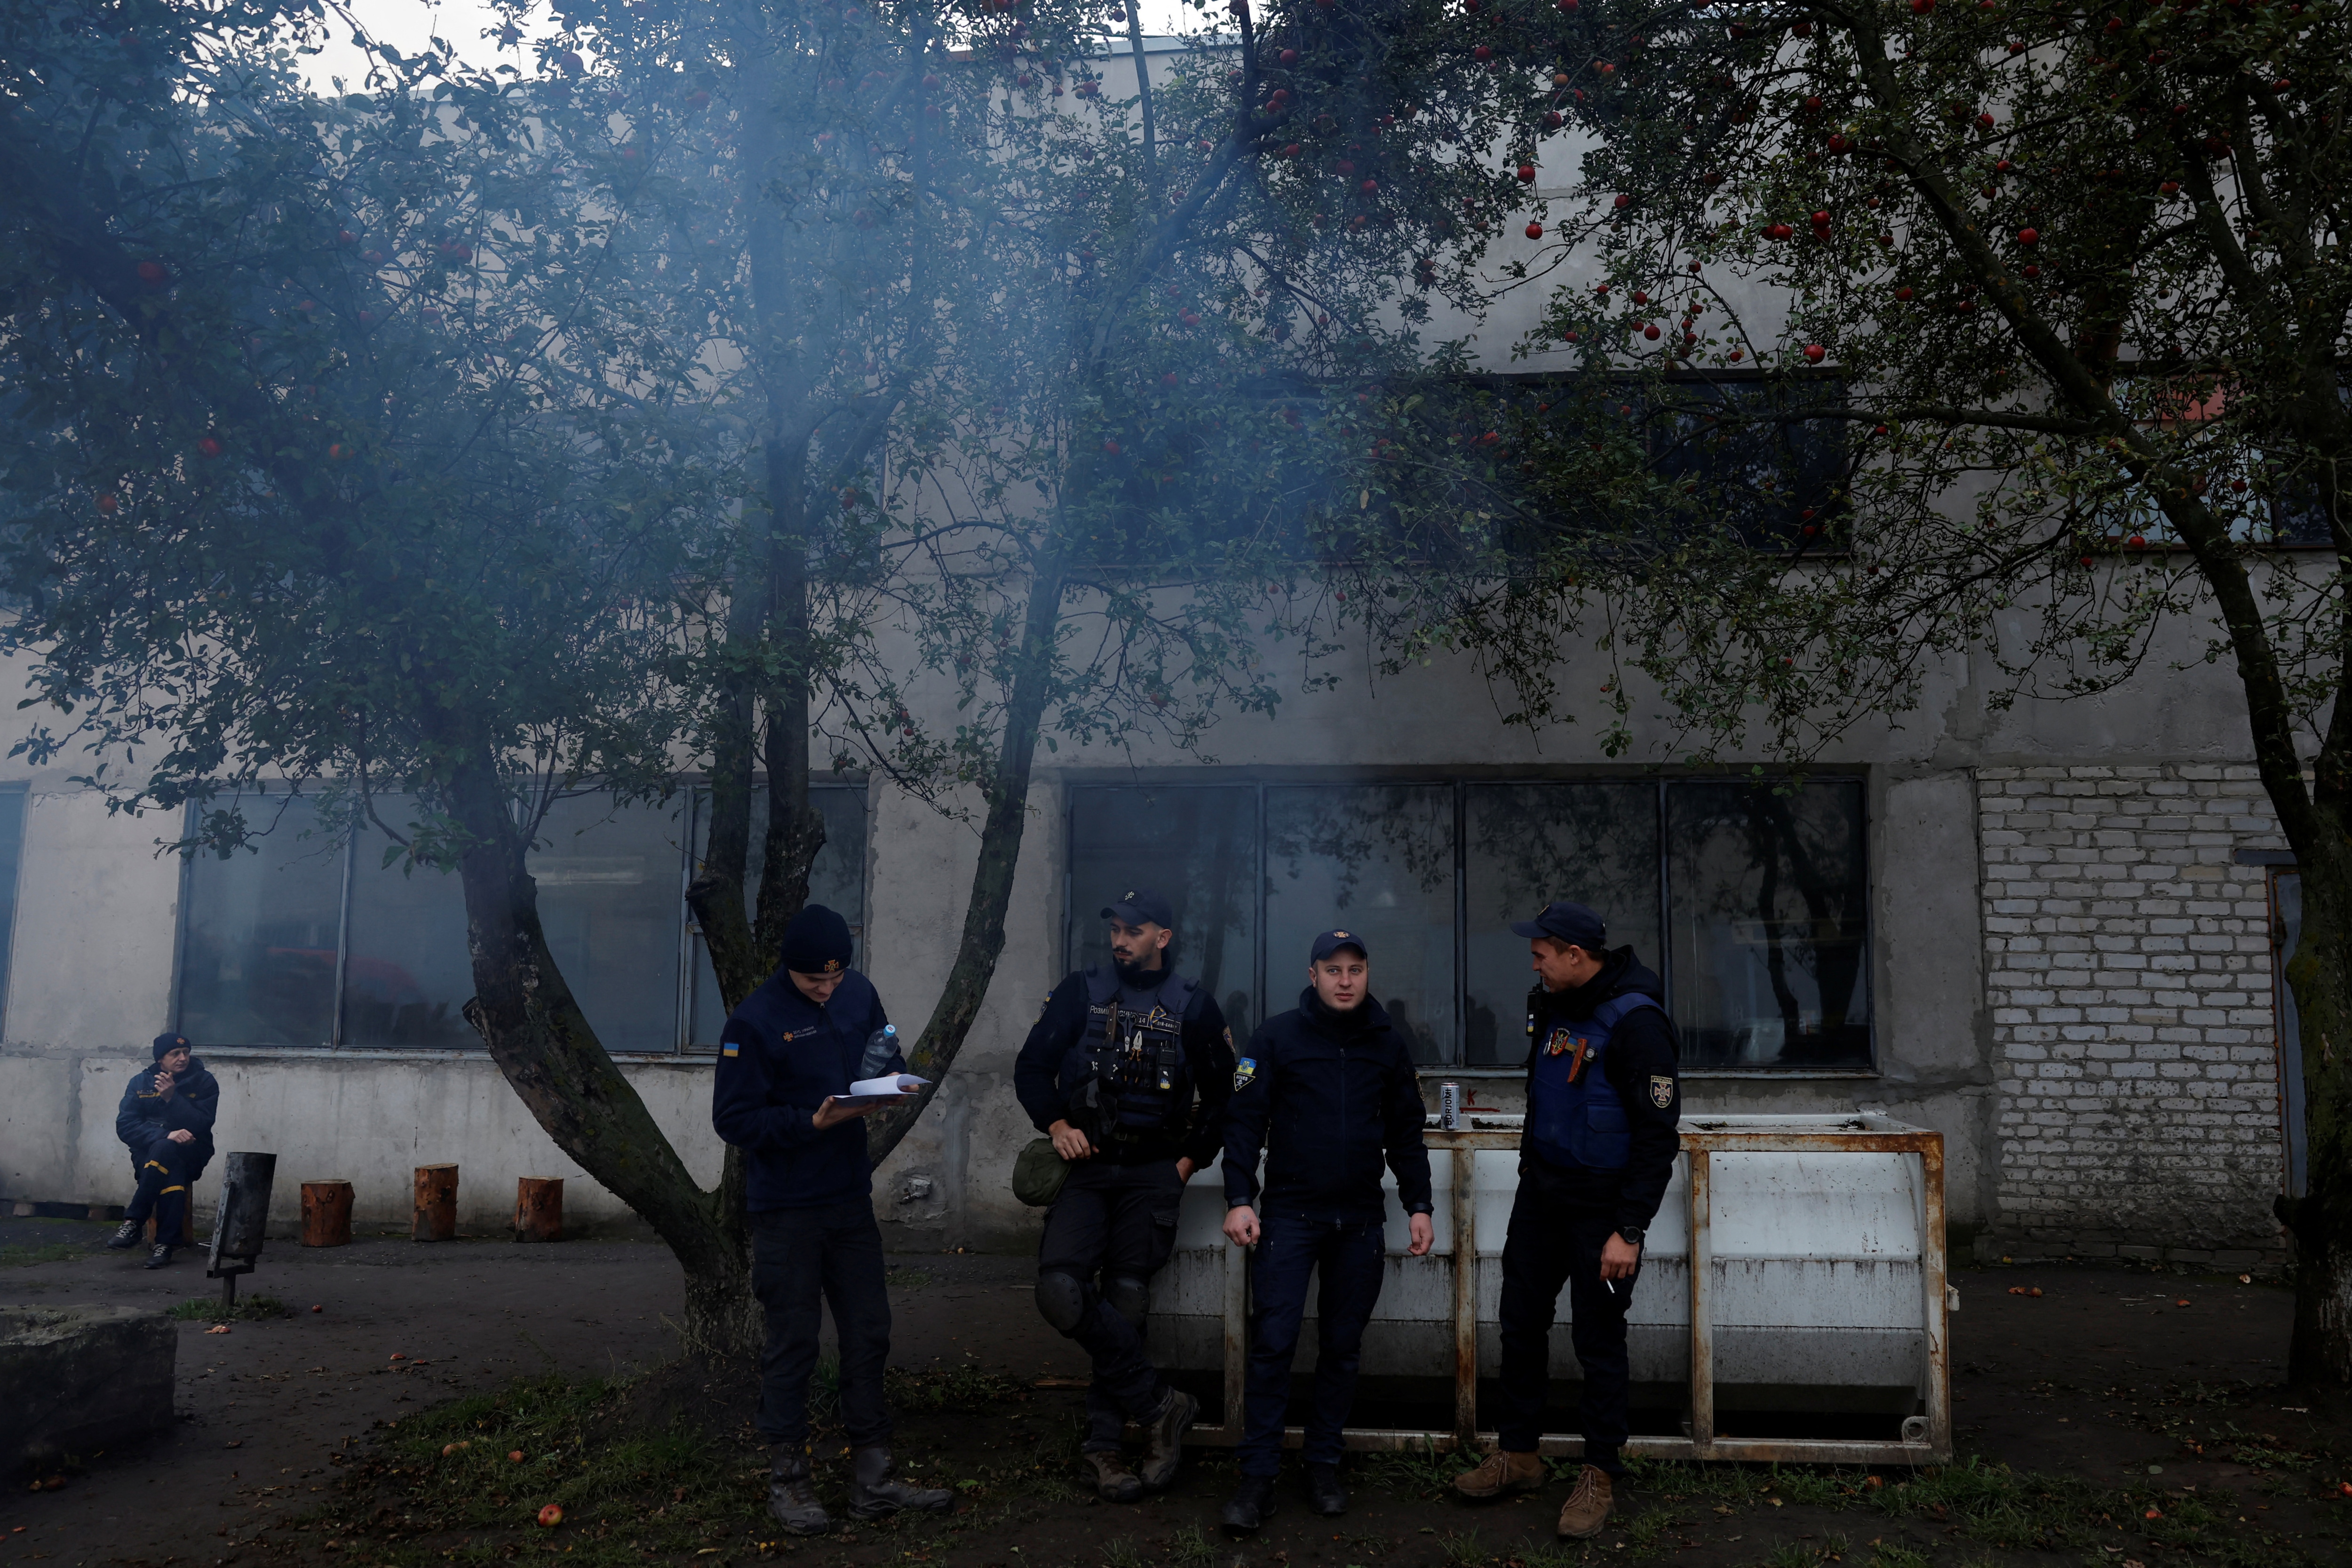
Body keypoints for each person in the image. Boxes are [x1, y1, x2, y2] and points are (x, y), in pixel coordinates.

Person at [711, 903, 952, 1537]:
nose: (828, 988)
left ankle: (875, 1479)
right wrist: (806, 1124)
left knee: (870, 1333)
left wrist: (886, 1077)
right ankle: (788, 1479)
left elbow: (875, 1053)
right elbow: (734, 1120)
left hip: (847, 1198)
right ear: (789, 969)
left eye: (836, 977)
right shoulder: (754, 1021)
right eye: (815, 981)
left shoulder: (857, 992)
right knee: (792, 1344)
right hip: (786, 1209)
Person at [1452, 900, 1681, 1541]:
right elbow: (1544, 1096)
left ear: (1577, 956)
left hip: (1604, 1213)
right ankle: (1520, 1455)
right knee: (1520, 1325)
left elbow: (1657, 1137)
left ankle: (1599, 1473)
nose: (1535, 962)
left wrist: (1628, 1229)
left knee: (1598, 1340)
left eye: (1542, 952)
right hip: (1543, 1201)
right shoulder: (1551, 1004)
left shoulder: (1639, 1026)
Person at [1013, 888, 1234, 1502]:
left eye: (1133, 930)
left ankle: (1104, 1449)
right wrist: (1057, 1125)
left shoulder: (1195, 1007)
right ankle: (1161, 1404)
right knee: (1060, 1289)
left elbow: (1223, 1097)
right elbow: (1031, 1067)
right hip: (1086, 1171)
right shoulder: (1077, 993)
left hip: (1151, 1174)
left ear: (1162, 936)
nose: (1120, 939)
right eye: (1115, 928)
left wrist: (1187, 1164)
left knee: (1127, 1302)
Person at [1219, 931, 1433, 1530]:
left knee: (1341, 1350)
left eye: (1356, 969)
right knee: (1273, 1346)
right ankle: (1256, 1479)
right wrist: (1240, 1198)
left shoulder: (1387, 1043)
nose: (1345, 980)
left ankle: (1322, 1465)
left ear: (1368, 974)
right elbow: (1242, 1121)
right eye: (1333, 970)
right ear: (1312, 974)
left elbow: (1406, 1130)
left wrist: (1419, 1204)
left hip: (1360, 1220)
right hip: (1289, 1217)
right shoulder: (1275, 1037)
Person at [106, 1032, 219, 1269]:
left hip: (193, 1151)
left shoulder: (204, 1082)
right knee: (168, 1156)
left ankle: (134, 1221)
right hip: (148, 1154)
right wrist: (165, 1135)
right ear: (161, 1059)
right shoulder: (140, 1083)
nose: (183, 1058)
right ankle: (165, 1245)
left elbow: (202, 1124)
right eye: (175, 1054)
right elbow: (125, 1127)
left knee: (167, 1152)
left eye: (186, 1053)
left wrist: (172, 1098)